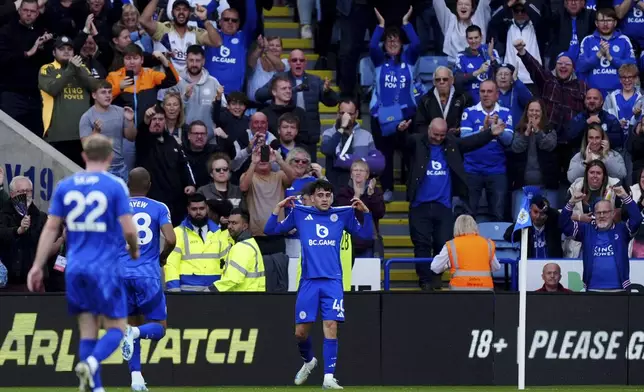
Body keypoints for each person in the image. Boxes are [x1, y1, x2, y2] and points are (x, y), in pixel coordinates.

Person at [26, 134, 140, 392]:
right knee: (117, 328)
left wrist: (37, 264)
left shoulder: (66, 186)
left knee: (87, 330)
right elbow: (130, 230)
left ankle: (95, 388)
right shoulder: (114, 185)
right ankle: (91, 361)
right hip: (105, 268)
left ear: (84, 156)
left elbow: (51, 228)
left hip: (75, 268)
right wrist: (134, 250)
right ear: (110, 158)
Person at [264, 179, 374, 390]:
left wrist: (366, 213)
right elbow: (271, 230)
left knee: (331, 327)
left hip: (333, 281)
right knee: (300, 333)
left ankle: (328, 377)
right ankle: (309, 361)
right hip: (309, 282)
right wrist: (278, 208)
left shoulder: (342, 214)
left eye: (328, 195)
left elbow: (365, 235)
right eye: (320, 195)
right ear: (312, 198)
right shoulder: (300, 214)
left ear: (332, 197)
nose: (324, 199)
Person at [406, 117, 505, 290]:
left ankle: (436, 278)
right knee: (421, 244)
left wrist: (490, 133)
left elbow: (471, 142)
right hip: (419, 205)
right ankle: (424, 281)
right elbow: (401, 143)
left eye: (442, 135)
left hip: (443, 206)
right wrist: (400, 131)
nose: (438, 138)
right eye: (435, 134)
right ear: (429, 129)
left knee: (441, 242)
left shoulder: (451, 144)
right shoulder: (416, 142)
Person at [119, 167, 176, 391]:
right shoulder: (158, 207)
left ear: (127, 184)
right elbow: (171, 239)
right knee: (158, 328)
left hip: (121, 275)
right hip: (147, 274)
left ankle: (136, 378)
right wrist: (162, 257)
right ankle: (135, 335)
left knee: (130, 324)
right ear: (149, 184)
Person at [369, 7, 420, 202]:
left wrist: (406, 23)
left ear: (401, 43)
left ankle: (411, 190)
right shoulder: (379, 61)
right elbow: (373, 46)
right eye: (389, 39)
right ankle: (388, 188)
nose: (392, 42)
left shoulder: (409, 60)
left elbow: (416, 44)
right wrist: (380, 26)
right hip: (381, 117)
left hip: (407, 116)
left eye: (396, 39)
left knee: (409, 155)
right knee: (385, 154)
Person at [560, 184, 641, 291]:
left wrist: (625, 197)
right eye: (598, 213)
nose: (602, 215)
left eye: (606, 212)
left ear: (612, 214)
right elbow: (563, 224)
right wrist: (571, 202)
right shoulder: (586, 230)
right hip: (592, 290)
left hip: (620, 290)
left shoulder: (622, 230)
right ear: (594, 214)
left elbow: (637, 219)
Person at [39, 36, 99, 166]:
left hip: (83, 135)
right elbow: (53, 89)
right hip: (58, 135)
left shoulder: (82, 68)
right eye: (62, 49)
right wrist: (71, 69)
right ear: (54, 52)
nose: (66, 52)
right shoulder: (47, 69)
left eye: (70, 49)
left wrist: (78, 69)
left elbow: (96, 87)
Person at [460, 80, 514, 221]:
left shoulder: (505, 112)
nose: (485, 95)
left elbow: (508, 140)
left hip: (497, 171)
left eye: (489, 91)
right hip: (472, 170)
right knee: (468, 215)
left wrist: (498, 130)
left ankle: (497, 243)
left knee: (498, 214)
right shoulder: (469, 112)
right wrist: (485, 131)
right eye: (482, 91)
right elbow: (464, 140)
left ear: (497, 95)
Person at [0, 176, 61, 292]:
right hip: (8, 285)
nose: (26, 194)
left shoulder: (41, 217)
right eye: (21, 191)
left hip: (35, 283)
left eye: (28, 191)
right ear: (12, 194)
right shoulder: (3, 215)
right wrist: (18, 230)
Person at [165, 193, 226, 292]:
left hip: (214, 288)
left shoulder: (219, 232)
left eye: (202, 208)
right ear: (188, 209)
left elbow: (226, 262)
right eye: (194, 209)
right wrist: (173, 288)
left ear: (207, 208)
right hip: (188, 287)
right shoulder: (178, 232)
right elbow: (171, 263)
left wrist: (222, 286)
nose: (198, 212)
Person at [508, 98, 559, 214]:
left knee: (548, 219)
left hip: (546, 186)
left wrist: (537, 131)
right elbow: (516, 147)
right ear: (526, 112)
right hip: (522, 186)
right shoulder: (519, 129)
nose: (534, 113)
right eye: (531, 110)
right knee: (520, 221)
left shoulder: (549, 128)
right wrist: (526, 134)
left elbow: (549, 145)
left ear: (542, 112)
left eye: (537, 110)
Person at [79, 81, 137, 180]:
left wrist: (130, 121)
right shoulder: (87, 117)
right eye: (103, 92)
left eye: (109, 92)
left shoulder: (120, 111)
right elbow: (86, 146)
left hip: (121, 168)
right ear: (94, 95)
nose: (108, 95)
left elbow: (131, 137)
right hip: (99, 169)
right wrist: (96, 131)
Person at [430, 214, 500, 290]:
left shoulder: (451, 244)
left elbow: (435, 267)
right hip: (485, 289)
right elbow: (496, 267)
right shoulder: (488, 244)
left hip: (460, 290)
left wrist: (447, 265)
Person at [577, 8, 637, 97]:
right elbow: (581, 67)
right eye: (602, 20)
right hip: (593, 94)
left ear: (615, 23)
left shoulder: (624, 40)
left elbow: (632, 67)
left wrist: (611, 58)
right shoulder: (588, 40)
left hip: (619, 94)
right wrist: (598, 55)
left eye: (609, 20)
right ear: (596, 23)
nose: (605, 24)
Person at [208, 208, 266, 292]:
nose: (229, 226)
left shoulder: (242, 247)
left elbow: (233, 279)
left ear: (245, 226)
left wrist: (211, 290)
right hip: (251, 297)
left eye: (234, 223)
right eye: (229, 222)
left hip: (242, 298)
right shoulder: (250, 243)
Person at [433, 0, 492, 66]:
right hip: (454, 66)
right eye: (460, 4)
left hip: (477, 64)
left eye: (467, 4)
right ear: (456, 8)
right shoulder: (450, 20)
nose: (463, 6)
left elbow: (484, 2)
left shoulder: (479, 19)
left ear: (472, 8)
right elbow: (438, 3)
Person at [415, 66, 471, 133]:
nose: (441, 82)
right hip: (433, 139)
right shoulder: (425, 100)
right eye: (438, 80)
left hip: (456, 139)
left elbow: (470, 121)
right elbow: (420, 125)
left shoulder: (464, 97)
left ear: (452, 80)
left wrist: (458, 130)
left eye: (445, 79)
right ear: (434, 82)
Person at [455, 25, 500, 104]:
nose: (473, 41)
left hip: (491, 102)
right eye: (470, 38)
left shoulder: (492, 52)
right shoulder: (461, 56)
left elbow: (500, 75)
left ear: (481, 37)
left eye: (476, 37)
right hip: (470, 102)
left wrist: (491, 56)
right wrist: (478, 72)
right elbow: (458, 80)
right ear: (466, 39)